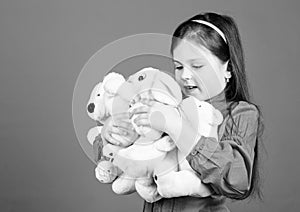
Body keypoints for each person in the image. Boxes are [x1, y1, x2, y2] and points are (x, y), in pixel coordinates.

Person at [96, 12, 264, 212]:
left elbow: (237, 181)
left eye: (197, 66)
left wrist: (175, 126)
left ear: (228, 68)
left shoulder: (240, 114)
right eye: (178, 66)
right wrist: (110, 136)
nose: (185, 75)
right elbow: (129, 155)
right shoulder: (165, 101)